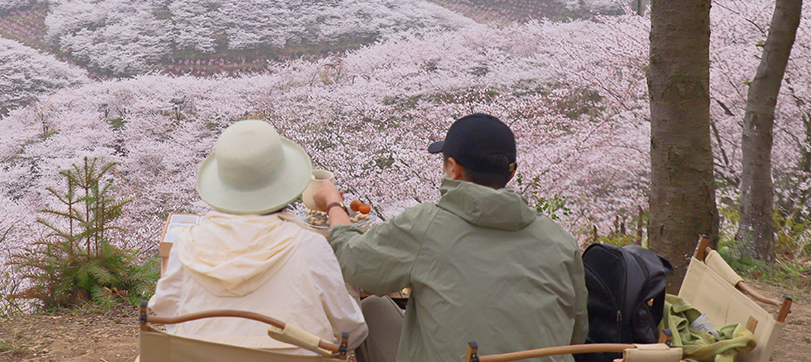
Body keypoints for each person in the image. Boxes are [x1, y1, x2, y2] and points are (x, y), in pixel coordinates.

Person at [311, 113, 588, 362]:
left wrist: (334, 205)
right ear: (511, 172)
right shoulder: (560, 241)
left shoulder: (426, 225)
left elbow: (352, 262)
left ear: (452, 168)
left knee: (373, 308)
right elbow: (576, 331)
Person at [148, 119, 368, 354]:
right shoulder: (308, 247)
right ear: (286, 183)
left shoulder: (187, 244)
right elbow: (351, 331)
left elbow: (162, 312)